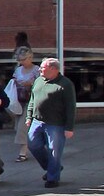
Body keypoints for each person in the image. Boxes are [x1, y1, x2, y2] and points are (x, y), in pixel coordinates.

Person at [25, 57, 78, 188]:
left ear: (53, 69)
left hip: (56, 123)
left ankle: (52, 178)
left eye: (43, 67)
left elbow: (71, 107)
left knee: (54, 151)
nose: (40, 69)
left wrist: (69, 127)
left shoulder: (65, 84)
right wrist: (29, 116)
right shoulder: (38, 81)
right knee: (33, 145)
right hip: (37, 121)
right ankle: (53, 167)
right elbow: (33, 99)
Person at [9, 48, 42, 161]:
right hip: (19, 100)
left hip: (31, 100)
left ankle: (23, 152)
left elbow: (41, 84)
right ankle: (31, 146)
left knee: (22, 126)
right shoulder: (18, 70)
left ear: (30, 58)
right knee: (18, 125)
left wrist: (30, 83)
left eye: (23, 59)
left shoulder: (36, 69)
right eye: (20, 60)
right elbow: (13, 80)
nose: (22, 62)